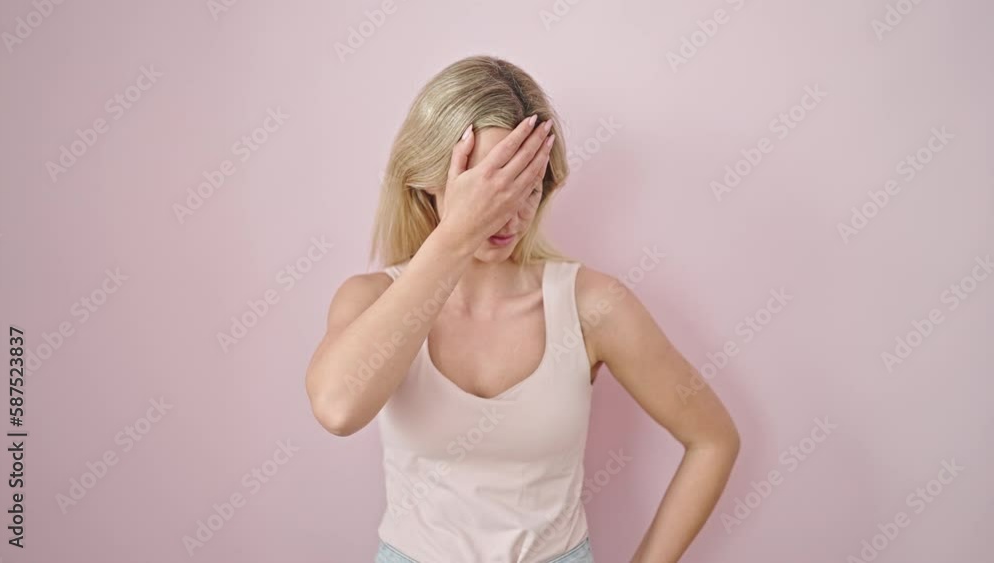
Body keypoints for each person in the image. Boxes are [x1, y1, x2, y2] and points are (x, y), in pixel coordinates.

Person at [305, 55, 740, 563]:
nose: (508, 215)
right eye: (489, 188)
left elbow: (713, 440)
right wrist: (455, 237)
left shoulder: (591, 305)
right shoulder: (370, 299)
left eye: (527, 188)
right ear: (428, 178)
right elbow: (338, 410)